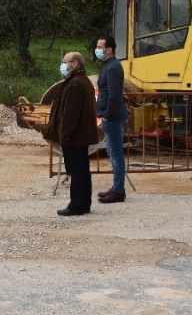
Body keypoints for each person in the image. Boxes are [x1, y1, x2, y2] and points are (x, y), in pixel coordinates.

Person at [43, 51, 100, 216]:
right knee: (82, 171)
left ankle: (76, 205)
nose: (63, 64)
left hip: (74, 137)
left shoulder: (75, 83)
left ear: (74, 63)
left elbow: (70, 115)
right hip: (80, 136)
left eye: (65, 61)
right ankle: (84, 203)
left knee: (76, 172)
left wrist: (64, 136)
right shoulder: (82, 81)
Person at [95, 35, 128, 203]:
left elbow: (114, 96)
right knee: (111, 152)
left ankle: (118, 191)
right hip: (109, 116)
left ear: (109, 49)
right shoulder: (108, 66)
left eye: (100, 47)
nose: (98, 49)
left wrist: (106, 115)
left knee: (116, 154)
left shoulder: (113, 67)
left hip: (112, 117)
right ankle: (116, 187)